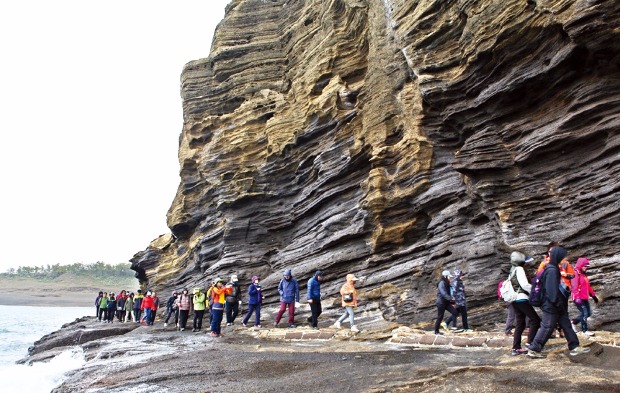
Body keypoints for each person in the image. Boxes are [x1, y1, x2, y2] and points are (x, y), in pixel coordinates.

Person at [527, 246, 590, 358]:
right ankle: (533, 349)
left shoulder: (552, 268)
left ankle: (574, 347)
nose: (564, 258)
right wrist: (556, 303)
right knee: (547, 327)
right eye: (562, 256)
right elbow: (551, 291)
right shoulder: (552, 270)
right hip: (552, 305)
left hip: (556, 304)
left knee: (566, 325)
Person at [506, 251, 541, 356]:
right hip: (521, 298)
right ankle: (530, 343)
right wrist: (534, 290)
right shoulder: (520, 269)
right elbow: (524, 284)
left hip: (514, 299)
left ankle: (516, 348)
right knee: (535, 320)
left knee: (520, 323)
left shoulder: (512, 269)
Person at [571, 257, 599, 336]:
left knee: (589, 313)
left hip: (584, 297)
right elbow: (574, 286)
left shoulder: (583, 274)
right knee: (585, 313)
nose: (586, 268)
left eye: (587, 267)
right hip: (578, 297)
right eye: (585, 266)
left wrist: (593, 296)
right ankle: (584, 330)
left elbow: (588, 287)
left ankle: (573, 322)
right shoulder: (575, 273)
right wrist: (577, 297)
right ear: (581, 265)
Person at [435, 270, 457, 335]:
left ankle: (454, 327)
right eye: (449, 276)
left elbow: (449, 292)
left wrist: (452, 301)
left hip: (446, 302)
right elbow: (443, 293)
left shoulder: (447, 283)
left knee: (455, 312)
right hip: (441, 303)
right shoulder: (441, 283)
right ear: (445, 276)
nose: (450, 278)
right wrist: (450, 298)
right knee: (440, 317)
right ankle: (436, 331)